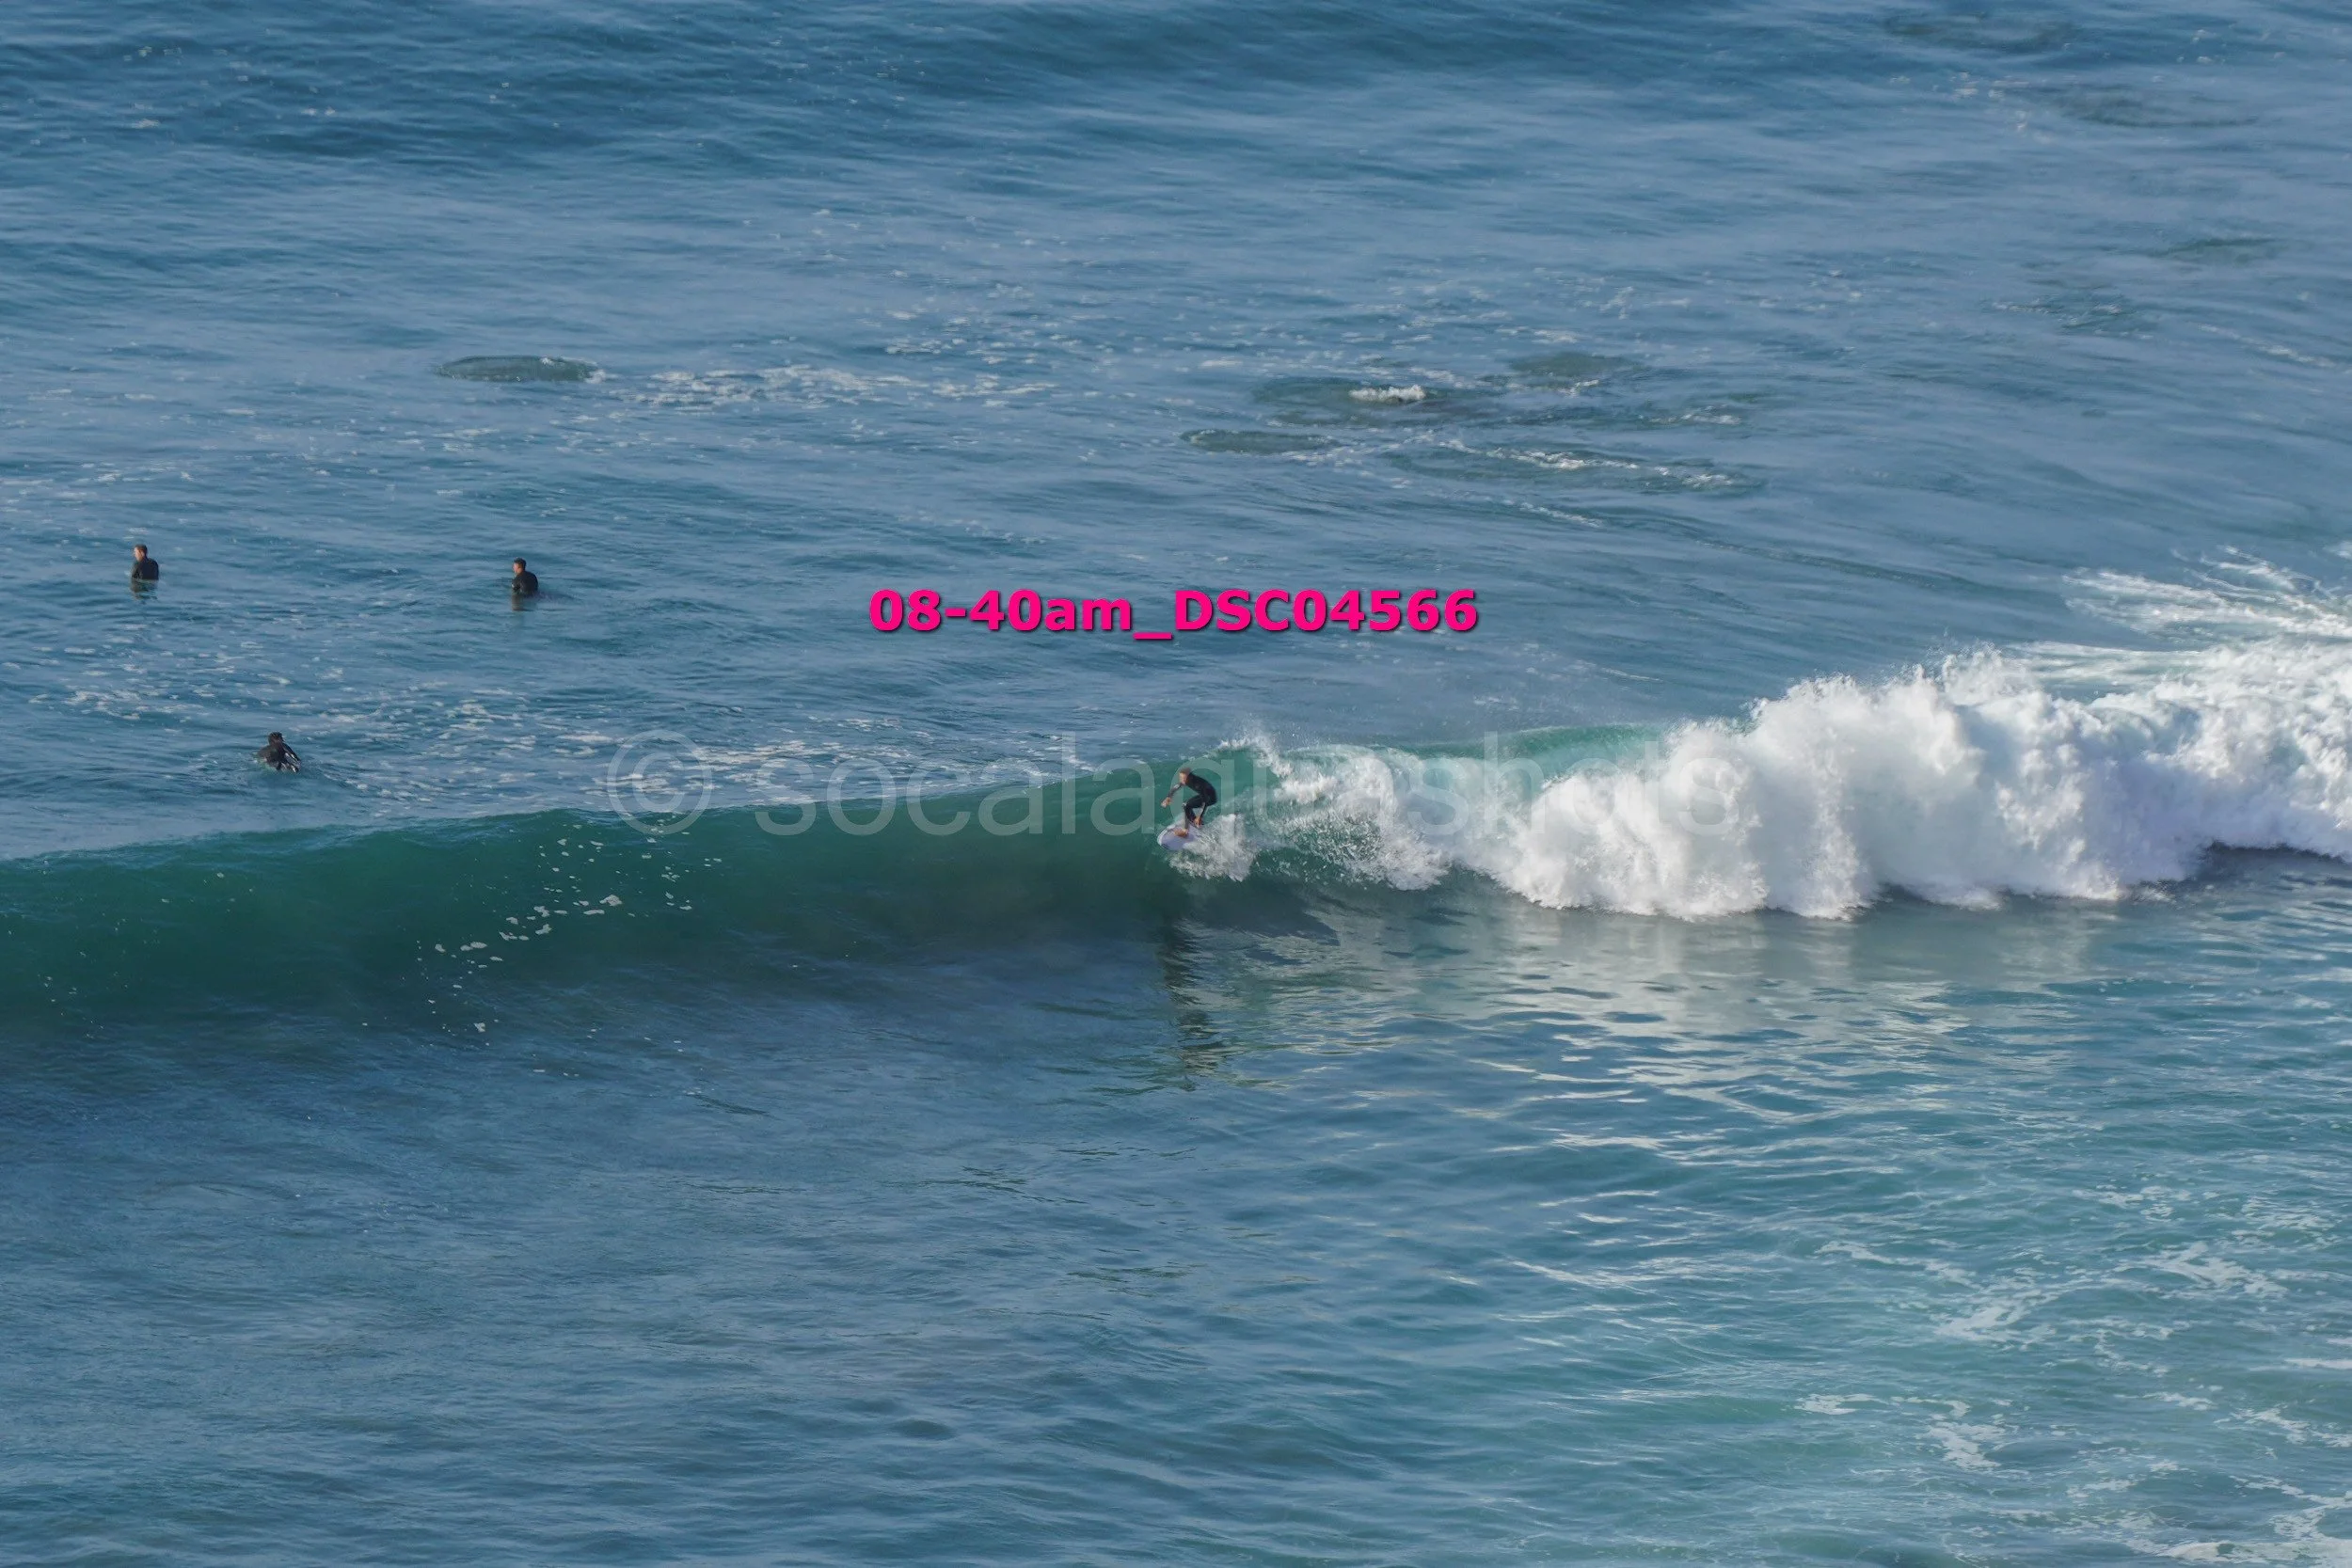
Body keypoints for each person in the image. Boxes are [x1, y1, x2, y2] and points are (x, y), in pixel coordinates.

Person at [1160, 767, 1217, 836]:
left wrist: (1200, 816)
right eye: (1181, 778)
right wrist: (1168, 797)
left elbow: (1204, 801)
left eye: (1184, 778)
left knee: (1186, 805)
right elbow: (1175, 787)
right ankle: (1194, 822)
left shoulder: (1198, 785)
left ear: (1190, 777)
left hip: (1210, 798)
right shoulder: (1186, 780)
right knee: (1186, 805)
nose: (1182, 780)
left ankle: (1186, 831)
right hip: (1205, 795)